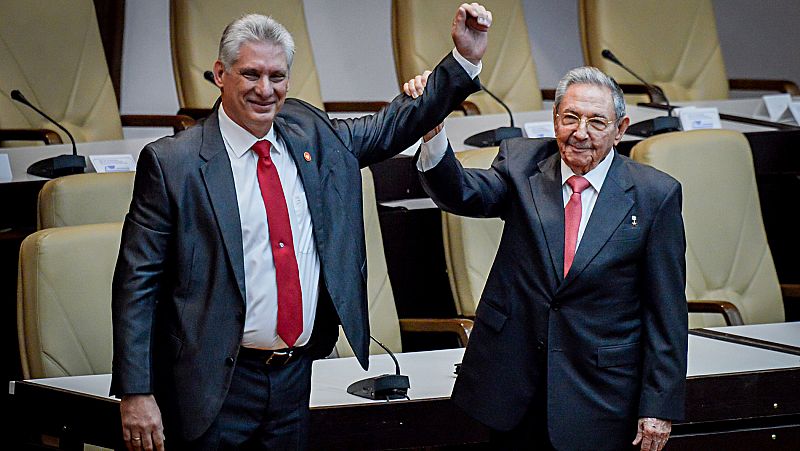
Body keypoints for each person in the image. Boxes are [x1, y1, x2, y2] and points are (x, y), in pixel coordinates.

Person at [111, 4, 492, 450]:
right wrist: (136, 391)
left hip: (293, 377)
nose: (265, 90)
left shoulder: (309, 131)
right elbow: (137, 281)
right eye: (251, 74)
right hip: (210, 383)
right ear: (220, 74)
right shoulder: (173, 163)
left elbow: (391, 127)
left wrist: (462, 60)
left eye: (277, 77)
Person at [405, 66, 687, 451]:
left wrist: (659, 404)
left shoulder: (655, 195)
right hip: (514, 389)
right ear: (555, 119)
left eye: (596, 122)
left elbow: (666, 312)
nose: (580, 132)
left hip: (600, 394)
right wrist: (433, 131)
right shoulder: (521, 164)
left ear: (620, 129)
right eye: (570, 118)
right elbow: (462, 192)